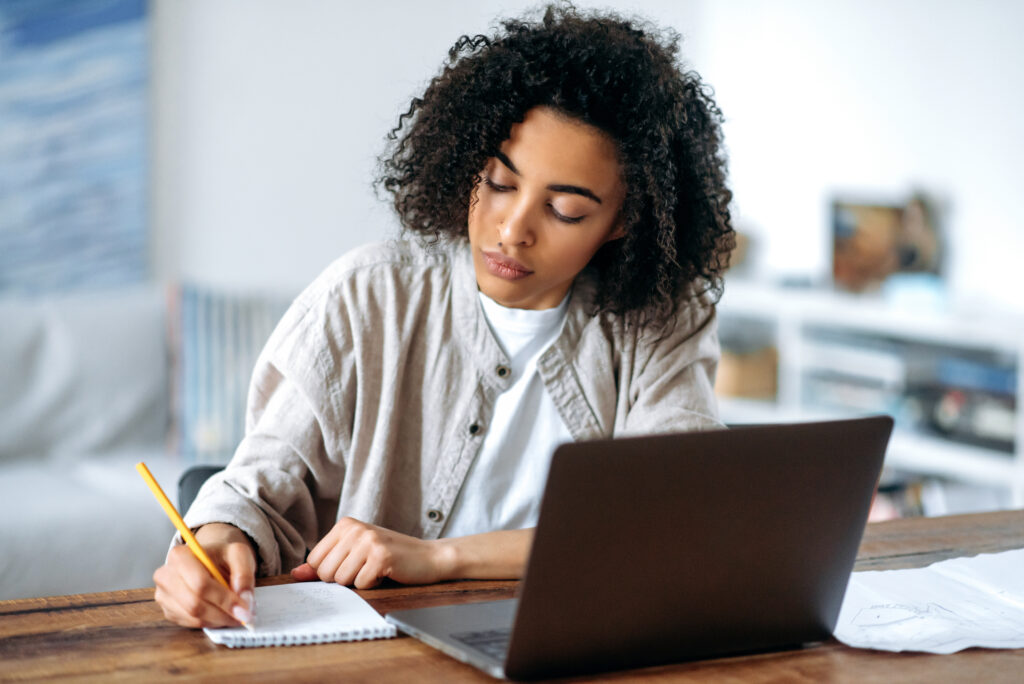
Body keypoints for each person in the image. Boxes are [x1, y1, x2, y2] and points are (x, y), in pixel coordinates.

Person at [154, 3, 735, 629]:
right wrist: (213, 544)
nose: (512, 231)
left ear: (624, 222)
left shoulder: (657, 321)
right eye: (498, 182)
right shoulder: (367, 298)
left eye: (564, 209)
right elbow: (254, 493)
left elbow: (674, 521)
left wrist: (443, 558)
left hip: (580, 639)